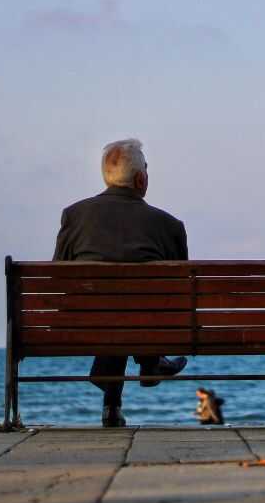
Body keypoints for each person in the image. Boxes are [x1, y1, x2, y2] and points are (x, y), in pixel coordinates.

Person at [53, 138, 188, 427]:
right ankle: (151, 361)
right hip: (145, 328)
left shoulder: (74, 216)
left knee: (112, 311)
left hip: (83, 324)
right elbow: (179, 294)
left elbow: (57, 277)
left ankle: (113, 405)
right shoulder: (169, 226)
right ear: (140, 179)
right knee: (130, 310)